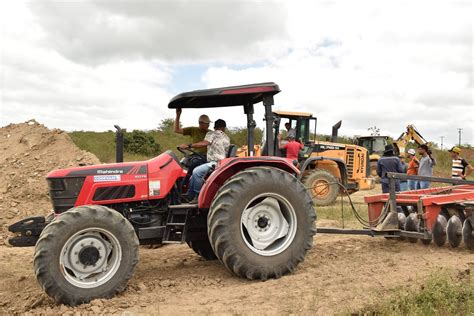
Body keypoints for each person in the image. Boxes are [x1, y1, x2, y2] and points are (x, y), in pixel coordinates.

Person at [183, 119, 230, 203]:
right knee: (195, 171)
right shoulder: (227, 138)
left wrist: (189, 145)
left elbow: (205, 143)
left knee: (196, 172)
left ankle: (197, 196)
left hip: (215, 162)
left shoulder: (211, 133)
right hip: (222, 162)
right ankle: (189, 194)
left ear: (215, 127)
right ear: (224, 128)